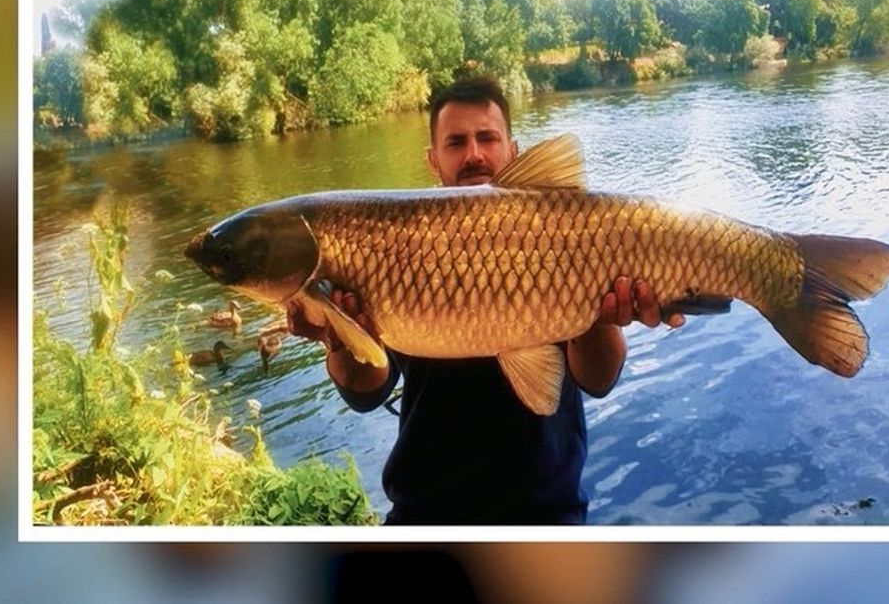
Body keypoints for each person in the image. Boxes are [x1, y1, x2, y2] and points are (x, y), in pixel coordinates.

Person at [285, 74, 685, 524]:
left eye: (487, 138)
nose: (474, 153)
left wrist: (601, 313)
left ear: (513, 150)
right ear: (432, 160)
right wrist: (338, 337)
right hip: (424, 513)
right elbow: (367, 391)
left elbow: (598, 379)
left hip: (546, 513)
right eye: (455, 142)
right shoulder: (395, 242)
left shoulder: (567, 232)